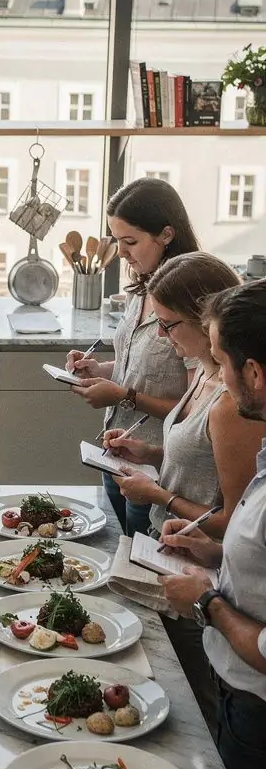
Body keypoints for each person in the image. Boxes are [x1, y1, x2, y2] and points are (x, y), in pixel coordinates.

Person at [104, 253, 265, 728]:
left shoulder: (234, 407)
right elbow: (198, 463)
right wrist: (150, 456)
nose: (161, 335)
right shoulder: (202, 376)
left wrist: (158, 496)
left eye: (169, 324)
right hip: (182, 563)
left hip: (216, 611)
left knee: (192, 717)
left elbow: (234, 518)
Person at [159, 279, 266, 769]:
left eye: (221, 361)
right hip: (235, 694)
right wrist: (213, 554)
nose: (216, 377)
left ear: (255, 373)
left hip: (258, 715)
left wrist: (205, 600)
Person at [66, 177, 199, 537]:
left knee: (141, 569)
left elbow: (197, 407)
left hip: (158, 463)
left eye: (130, 242)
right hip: (117, 451)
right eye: (117, 241)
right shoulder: (143, 286)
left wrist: (124, 395)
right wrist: (101, 370)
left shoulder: (187, 297)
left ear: (167, 234)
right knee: (121, 556)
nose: (121, 253)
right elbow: (140, 365)